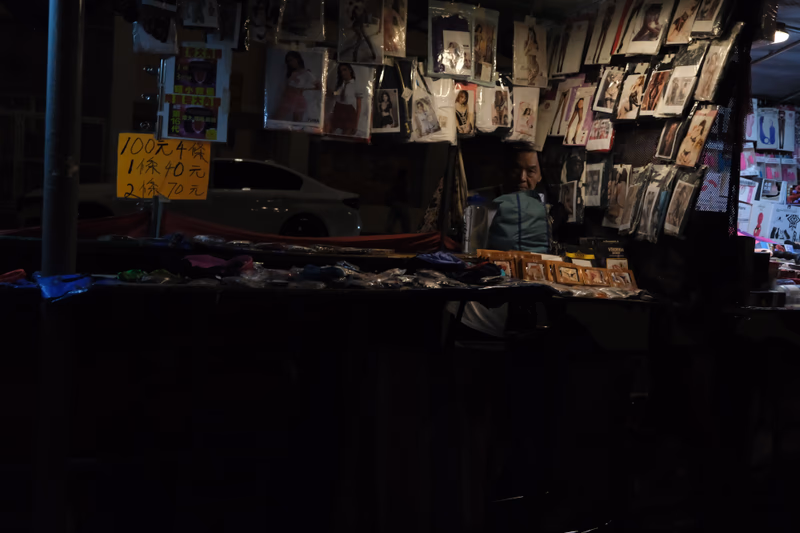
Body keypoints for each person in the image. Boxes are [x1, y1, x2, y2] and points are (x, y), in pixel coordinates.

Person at [275, 51, 321, 122]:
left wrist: (304, 89)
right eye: (288, 61)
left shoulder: (307, 73)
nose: (290, 63)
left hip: (298, 99)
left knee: (296, 122)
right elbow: (285, 86)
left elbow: (319, 87)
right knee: (277, 118)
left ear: (297, 59)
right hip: (287, 98)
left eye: (291, 60)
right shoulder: (290, 72)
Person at [329, 63, 362, 136]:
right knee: (331, 133)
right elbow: (335, 96)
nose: (343, 73)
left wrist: (356, 124)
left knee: (346, 135)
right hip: (338, 109)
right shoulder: (340, 84)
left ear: (350, 70)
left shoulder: (356, 85)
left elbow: (359, 106)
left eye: (345, 70)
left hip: (349, 111)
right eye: (341, 71)